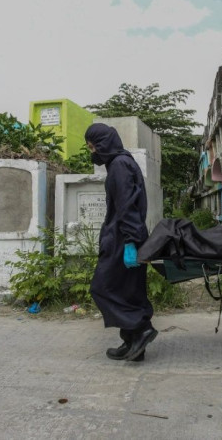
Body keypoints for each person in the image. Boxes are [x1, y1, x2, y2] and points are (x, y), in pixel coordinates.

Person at [85, 123, 156, 361]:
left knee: (102, 288)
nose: (91, 151)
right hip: (126, 235)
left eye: (92, 146)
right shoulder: (122, 163)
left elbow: (127, 206)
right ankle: (133, 343)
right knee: (129, 291)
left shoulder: (119, 166)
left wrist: (131, 242)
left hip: (123, 237)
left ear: (103, 144)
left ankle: (140, 330)